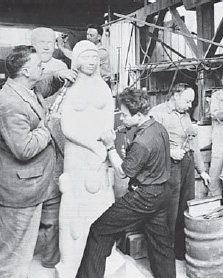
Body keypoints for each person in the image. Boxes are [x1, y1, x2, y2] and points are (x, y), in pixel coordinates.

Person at [75, 88, 176, 278]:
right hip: (162, 193)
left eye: (124, 115)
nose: (121, 118)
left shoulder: (142, 143)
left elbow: (122, 172)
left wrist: (109, 145)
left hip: (144, 196)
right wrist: (125, 129)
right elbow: (138, 135)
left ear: (138, 115)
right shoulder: (157, 127)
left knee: (99, 231)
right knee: (161, 244)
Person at [0, 45, 76, 278]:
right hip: (21, 189)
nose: (43, 66)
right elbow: (24, 149)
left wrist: (57, 76)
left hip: (41, 181)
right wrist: (48, 125)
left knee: (47, 229)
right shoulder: (9, 103)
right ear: (24, 70)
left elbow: (43, 85)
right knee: (15, 255)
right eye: (38, 65)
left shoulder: (28, 88)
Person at [55, 40, 120, 278]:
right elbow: (67, 126)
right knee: (76, 206)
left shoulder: (103, 88)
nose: (91, 62)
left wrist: (104, 145)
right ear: (77, 59)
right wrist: (93, 146)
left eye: (95, 58)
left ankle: (102, 257)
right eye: (86, 57)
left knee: (102, 201)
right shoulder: (70, 89)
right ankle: (75, 259)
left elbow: (108, 120)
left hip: (100, 153)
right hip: (79, 153)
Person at [149, 83, 211, 260]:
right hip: (169, 166)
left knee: (185, 207)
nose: (190, 106)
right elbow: (149, 144)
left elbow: (193, 144)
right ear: (176, 95)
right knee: (170, 210)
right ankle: (164, 255)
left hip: (187, 165)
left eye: (192, 102)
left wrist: (202, 170)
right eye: (187, 101)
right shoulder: (158, 113)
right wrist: (169, 153)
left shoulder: (185, 115)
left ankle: (179, 251)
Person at [31, 26, 72, 269]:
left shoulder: (61, 67)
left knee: (52, 204)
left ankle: (49, 257)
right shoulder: (28, 68)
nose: (48, 46)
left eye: (51, 41)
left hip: (57, 142)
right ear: (32, 43)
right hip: (33, 143)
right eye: (42, 42)